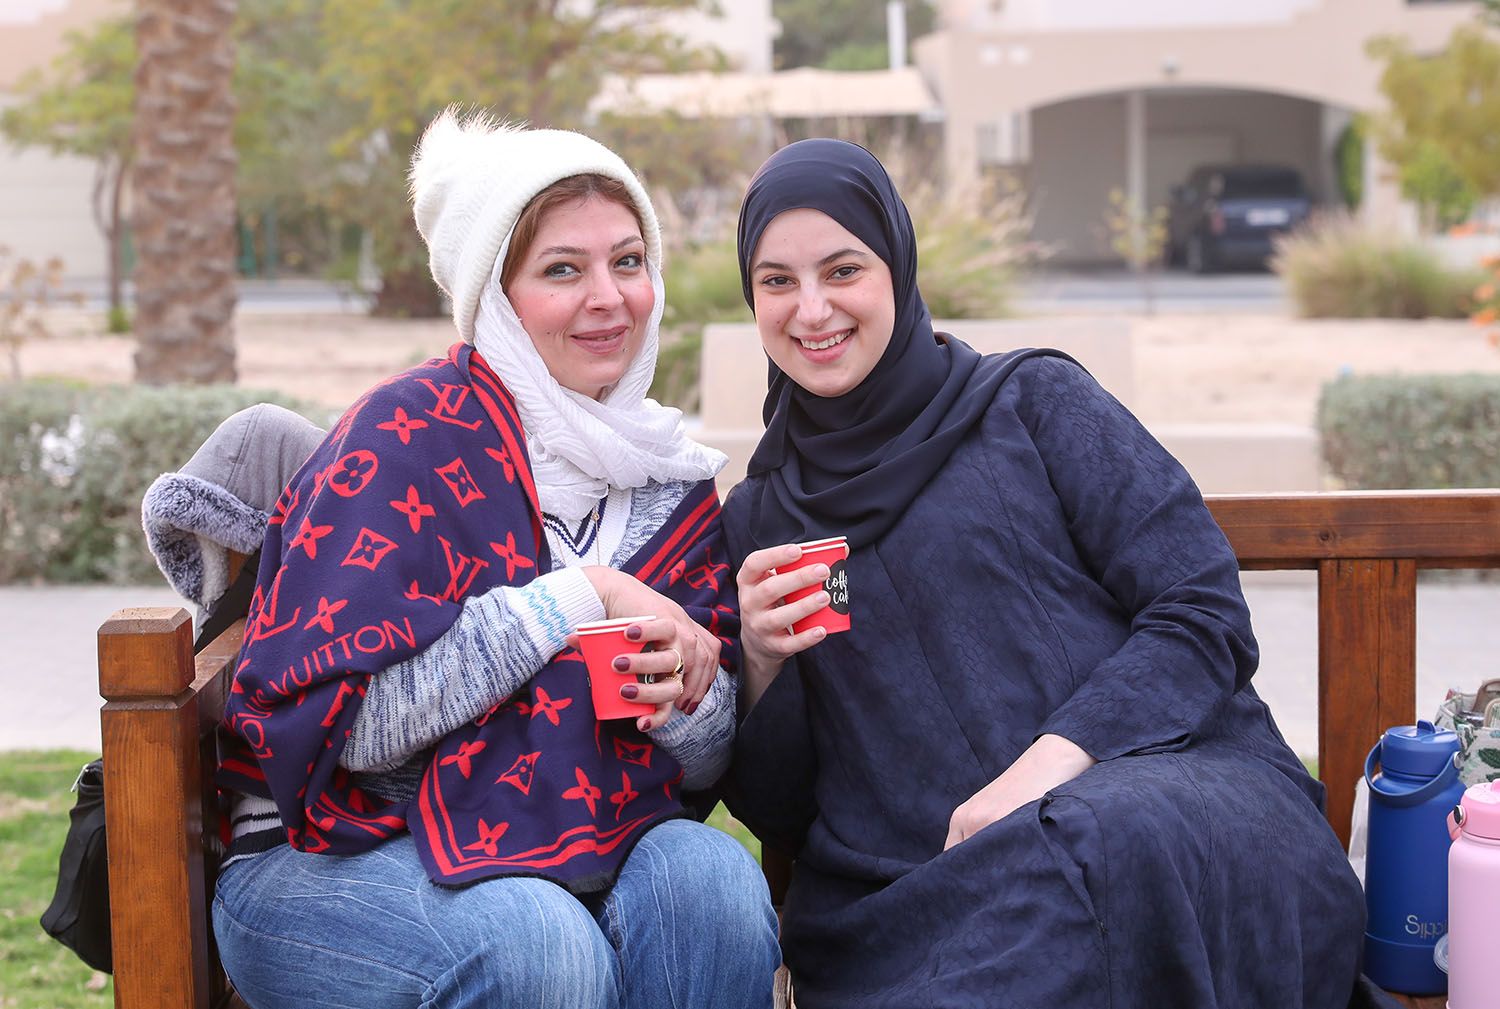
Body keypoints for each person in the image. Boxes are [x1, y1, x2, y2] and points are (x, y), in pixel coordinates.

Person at [721, 139, 1368, 1008]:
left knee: (1103, 839)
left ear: (897, 267)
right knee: (1066, 884)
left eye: (843, 270)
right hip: (925, 893)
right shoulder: (763, 520)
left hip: (1165, 801)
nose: (811, 309)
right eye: (777, 281)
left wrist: (1044, 773)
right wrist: (761, 661)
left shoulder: (1032, 404)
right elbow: (783, 809)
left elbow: (1200, 609)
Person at [207, 109, 779, 1009]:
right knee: (538, 944)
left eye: (629, 261)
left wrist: (687, 692)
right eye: (563, 269)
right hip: (327, 849)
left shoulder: (668, 479)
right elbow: (350, 732)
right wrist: (582, 595)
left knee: (712, 885)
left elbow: (702, 768)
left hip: (579, 837)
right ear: (497, 299)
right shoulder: (401, 441)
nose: (610, 297)